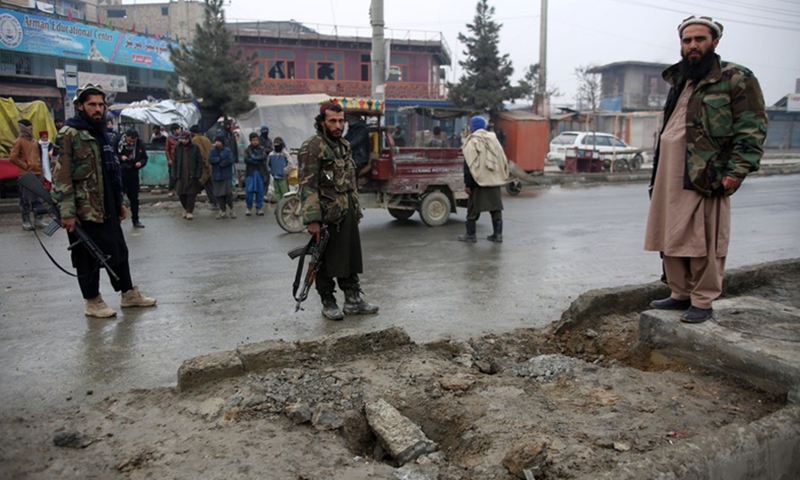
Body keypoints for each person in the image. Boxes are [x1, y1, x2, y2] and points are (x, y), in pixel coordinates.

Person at [644, 16, 767, 324]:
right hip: (668, 172)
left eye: (699, 39)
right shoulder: (680, 79)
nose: (693, 46)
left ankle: (702, 299)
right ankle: (680, 293)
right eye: (687, 41)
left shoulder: (736, 78)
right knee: (669, 233)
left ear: (714, 42)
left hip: (706, 172)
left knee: (703, 239)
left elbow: (752, 128)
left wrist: (736, 171)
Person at [52, 83, 156, 318]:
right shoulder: (69, 134)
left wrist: (118, 201)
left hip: (106, 203)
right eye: (92, 104)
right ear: (80, 106)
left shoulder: (103, 134)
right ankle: (93, 301)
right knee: (86, 255)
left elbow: (110, 172)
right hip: (83, 207)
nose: (98, 109)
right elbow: (61, 175)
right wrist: (67, 212)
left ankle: (128, 293)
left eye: (101, 104)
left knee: (118, 249)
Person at [298, 102, 379, 321]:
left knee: (350, 257)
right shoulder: (313, 147)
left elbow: (350, 181)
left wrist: (356, 209)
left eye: (341, 121)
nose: (338, 125)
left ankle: (353, 300)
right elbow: (307, 186)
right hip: (325, 216)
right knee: (323, 259)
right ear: (322, 122)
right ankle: (328, 301)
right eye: (332, 121)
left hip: (346, 212)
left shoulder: (344, 145)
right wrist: (312, 220)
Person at [458, 115, 509, 243]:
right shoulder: (494, 140)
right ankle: (497, 235)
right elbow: (503, 159)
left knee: (473, 208)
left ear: (472, 127)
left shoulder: (472, 142)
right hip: (494, 179)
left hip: (478, 181)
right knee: (495, 207)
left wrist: (468, 184)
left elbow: (469, 165)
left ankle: (470, 235)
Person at [8, 119, 45, 230]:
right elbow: (12, 158)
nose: (31, 128)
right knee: (25, 199)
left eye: (31, 126)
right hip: (25, 174)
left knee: (39, 198)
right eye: (28, 126)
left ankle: (39, 219)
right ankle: (26, 220)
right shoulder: (18, 141)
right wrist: (25, 166)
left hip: (37, 172)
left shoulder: (34, 141)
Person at [117, 129, 148, 228]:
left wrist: (140, 163)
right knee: (118, 197)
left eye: (133, 141)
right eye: (129, 141)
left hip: (133, 173)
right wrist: (121, 157)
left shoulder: (139, 144)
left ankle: (135, 220)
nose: (131, 143)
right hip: (120, 173)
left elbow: (144, 158)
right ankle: (117, 219)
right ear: (126, 137)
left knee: (134, 199)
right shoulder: (118, 141)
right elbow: (112, 155)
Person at [173, 131, 204, 220]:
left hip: (192, 174)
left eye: (185, 139)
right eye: (182, 139)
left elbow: (199, 162)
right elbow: (175, 161)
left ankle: (189, 211)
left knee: (191, 194)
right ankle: (186, 209)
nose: (184, 141)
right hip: (180, 174)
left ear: (189, 139)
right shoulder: (178, 148)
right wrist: (174, 174)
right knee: (181, 194)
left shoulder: (195, 148)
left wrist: (198, 174)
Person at [208, 135, 236, 219]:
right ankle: (222, 210)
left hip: (226, 175)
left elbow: (230, 160)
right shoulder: (212, 151)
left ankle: (231, 209)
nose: (217, 143)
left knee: (228, 193)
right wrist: (219, 159)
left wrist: (220, 163)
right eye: (216, 141)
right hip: (216, 175)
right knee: (219, 194)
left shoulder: (227, 151)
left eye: (219, 141)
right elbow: (211, 160)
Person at [190, 124, 217, 209]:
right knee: (209, 184)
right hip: (210, 164)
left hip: (203, 165)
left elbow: (200, 153)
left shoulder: (195, 140)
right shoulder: (206, 139)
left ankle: (214, 202)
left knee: (205, 184)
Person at [243, 132, 268, 216]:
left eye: (256, 140)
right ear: (250, 141)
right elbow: (246, 160)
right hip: (250, 173)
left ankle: (259, 208)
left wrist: (254, 159)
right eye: (253, 140)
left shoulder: (261, 149)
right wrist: (256, 160)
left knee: (260, 191)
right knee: (249, 192)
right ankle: (249, 208)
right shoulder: (247, 150)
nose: (255, 142)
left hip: (260, 172)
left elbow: (263, 157)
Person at [268, 136, 291, 203]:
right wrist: (271, 171)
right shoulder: (271, 154)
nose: (277, 146)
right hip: (275, 177)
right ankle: (279, 206)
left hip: (283, 177)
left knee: (285, 193)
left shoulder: (285, 154)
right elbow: (268, 164)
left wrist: (284, 171)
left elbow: (290, 164)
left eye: (278, 144)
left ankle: (285, 206)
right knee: (277, 192)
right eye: (275, 144)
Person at [166, 123, 182, 195]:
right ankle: (171, 189)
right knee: (172, 175)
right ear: (174, 130)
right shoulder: (169, 139)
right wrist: (169, 159)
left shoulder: (181, 138)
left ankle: (177, 189)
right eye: (178, 129)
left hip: (180, 160)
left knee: (180, 175)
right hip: (172, 160)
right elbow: (167, 150)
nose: (179, 130)